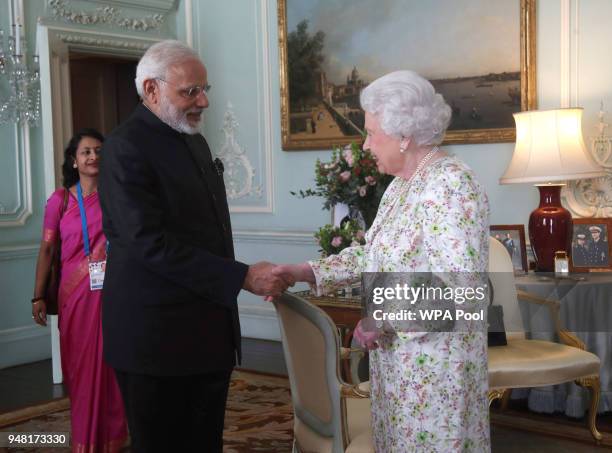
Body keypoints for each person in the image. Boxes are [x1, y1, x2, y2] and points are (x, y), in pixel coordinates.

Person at [272, 71, 490, 451]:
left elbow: (463, 289)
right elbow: (375, 253)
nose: (365, 144)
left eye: (372, 133)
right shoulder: (401, 186)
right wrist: (308, 271)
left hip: (436, 372)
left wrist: (382, 317)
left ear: (405, 136)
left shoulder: (450, 184)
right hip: (398, 367)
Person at [98, 40, 292, 453]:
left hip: (207, 335)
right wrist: (240, 276)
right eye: (190, 91)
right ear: (151, 90)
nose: (202, 101)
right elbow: (148, 244)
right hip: (154, 341)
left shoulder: (193, 140)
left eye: (205, 89)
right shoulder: (125, 147)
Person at [32, 129, 128, 453]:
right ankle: (85, 440)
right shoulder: (60, 201)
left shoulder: (116, 197)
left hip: (110, 292)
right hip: (74, 298)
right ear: (74, 160)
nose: (93, 157)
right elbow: (46, 250)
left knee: (110, 367)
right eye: (86, 152)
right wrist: (38, 295)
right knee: (81, 370)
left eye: (99, 151)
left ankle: (112, 440)